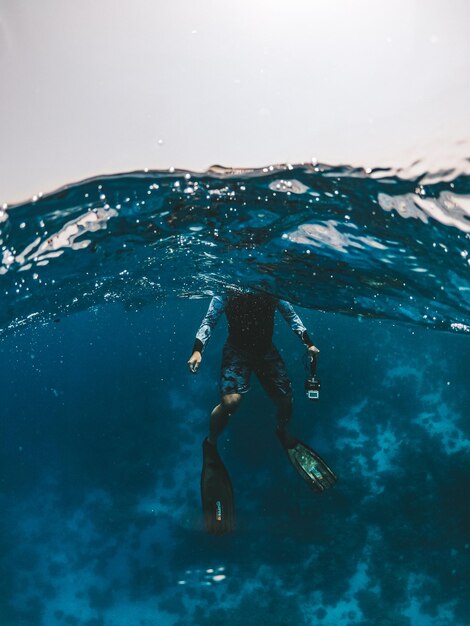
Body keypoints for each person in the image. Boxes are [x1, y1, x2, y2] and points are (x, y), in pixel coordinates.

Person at [188, 290, 336, 535]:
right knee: (231, 402)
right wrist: (197, 349)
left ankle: (282, 431)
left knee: (286, 402)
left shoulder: (271, 287)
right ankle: (210, 443)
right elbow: (210, 319)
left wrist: (308, 342)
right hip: (237, 351)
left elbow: (290, 314)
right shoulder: (227, 289)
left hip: (265, 350)